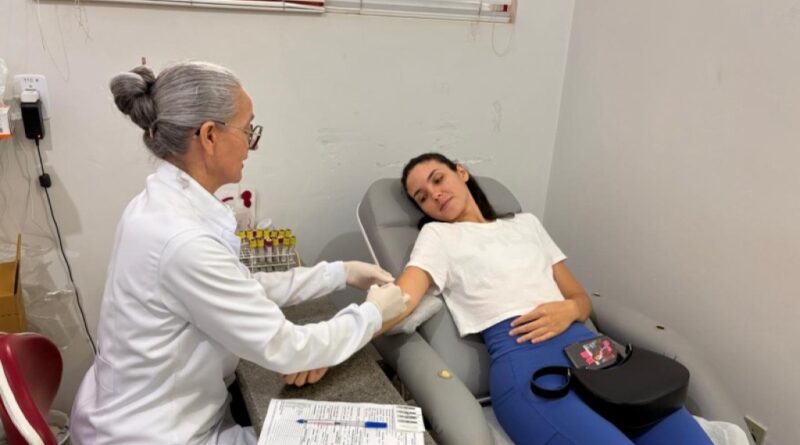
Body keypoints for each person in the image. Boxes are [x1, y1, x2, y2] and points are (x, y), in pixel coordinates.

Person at [69, 61, 408, 445]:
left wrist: (340, 272)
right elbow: (287, 348)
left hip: (149, 413)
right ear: (209, 136)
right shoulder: (183, 239)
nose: (251, 144)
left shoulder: (158, 206)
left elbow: (240, 286)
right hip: (155, 434)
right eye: (248, 130)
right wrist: (373, 313)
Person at [387, 152, 713, 444]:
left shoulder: (526, 224)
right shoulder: (438, 236)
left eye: (438, 179)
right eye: (422, 197)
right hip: (527, 364)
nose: (435, 194)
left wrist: (569, 310)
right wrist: (360, 324)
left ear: (461, 172)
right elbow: (401, 299)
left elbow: (580, 298)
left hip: (594, 352)